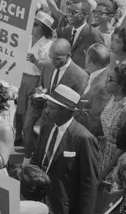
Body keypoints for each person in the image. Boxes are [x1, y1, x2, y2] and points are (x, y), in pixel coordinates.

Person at [30, 84, 99, 214]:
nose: (46, 111)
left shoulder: (84, 139)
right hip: (39, 202)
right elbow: (37, 160)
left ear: (66, 111)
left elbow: (88, 185)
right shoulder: (46, 127)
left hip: (63, 208)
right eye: (47, 106)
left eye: (52, 108)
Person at [24, 39, 89, 162]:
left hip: (58, 117)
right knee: (27, 127)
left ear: (68, 56)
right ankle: (26, 160)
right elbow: (40, 84)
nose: (53, 62)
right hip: (40, 108)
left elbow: (74, 105)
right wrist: (38, 93)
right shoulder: (47, 65)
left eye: (57, 59)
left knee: (46, 144)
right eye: (51, 57)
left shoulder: (80, 76)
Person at [17, 11, 55, 142]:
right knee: (20, 110)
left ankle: (29, 141)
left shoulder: (49, 45)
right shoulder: (26, 38)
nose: (32, 26)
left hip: (36, 80)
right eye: (32, 23)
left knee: (30, 114)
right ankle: (20, 137)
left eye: (36, 24)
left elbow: (48, 69)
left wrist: (36, 61)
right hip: (21, 77)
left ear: (43, 28)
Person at [96, 63, 126, 188]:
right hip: (102, 152)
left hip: (114, 161)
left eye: (110, 79)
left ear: (121, 85)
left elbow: (123, 146)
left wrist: (103, 173)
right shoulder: (113, 98)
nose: (106, 81)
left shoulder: (124, 109)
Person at [56, 0, 105, 69]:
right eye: (68, 11)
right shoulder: (66, 31)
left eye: (74, 12)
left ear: (85, 15)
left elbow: (102, 61)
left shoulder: (93, 34)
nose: (69, 14)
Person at [75, 44, 111, 137]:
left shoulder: (102, 87)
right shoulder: (94, 73)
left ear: (89, 60)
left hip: (85, 135)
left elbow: (95, 122)